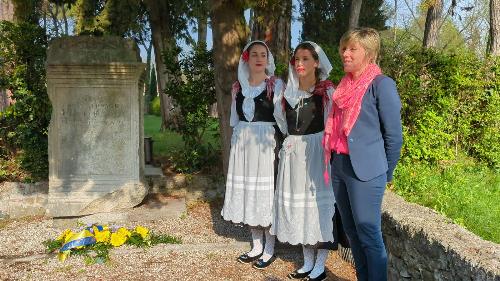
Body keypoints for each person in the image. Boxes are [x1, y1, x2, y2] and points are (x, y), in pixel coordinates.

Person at [323, 28, 403, 281]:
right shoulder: (343, 87)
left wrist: (384, 173)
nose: (345, 53)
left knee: (369, 234)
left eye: (352, 49)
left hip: (366, 172)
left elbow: (394, 137)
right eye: (344, 48)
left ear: (368, 53)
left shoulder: (382, 85)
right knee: (352, 232)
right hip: (340, 166)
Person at [271, 41, 336, 281]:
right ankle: (307, 261)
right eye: (297, 59)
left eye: (306, 59)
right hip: (293, 153)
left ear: (316, 63)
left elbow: (332, 124)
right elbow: (281, 122)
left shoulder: (326, 92)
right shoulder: (285, 93)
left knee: (317, 207)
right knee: (300, 207)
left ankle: (320, 264)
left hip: (317, 153)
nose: (300, 63)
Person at [221, 40, 284, 269]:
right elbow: (234, 120)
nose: (259, 58)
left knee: (265, 196)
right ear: (246, 59)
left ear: (268, 60)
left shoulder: (275, 85)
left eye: (263, 54)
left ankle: (269, 249)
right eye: (254, 54)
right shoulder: (238, 87)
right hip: (243, 146)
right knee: (249, 193)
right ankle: (256, 245)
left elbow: (282, 121)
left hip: (265, 146)